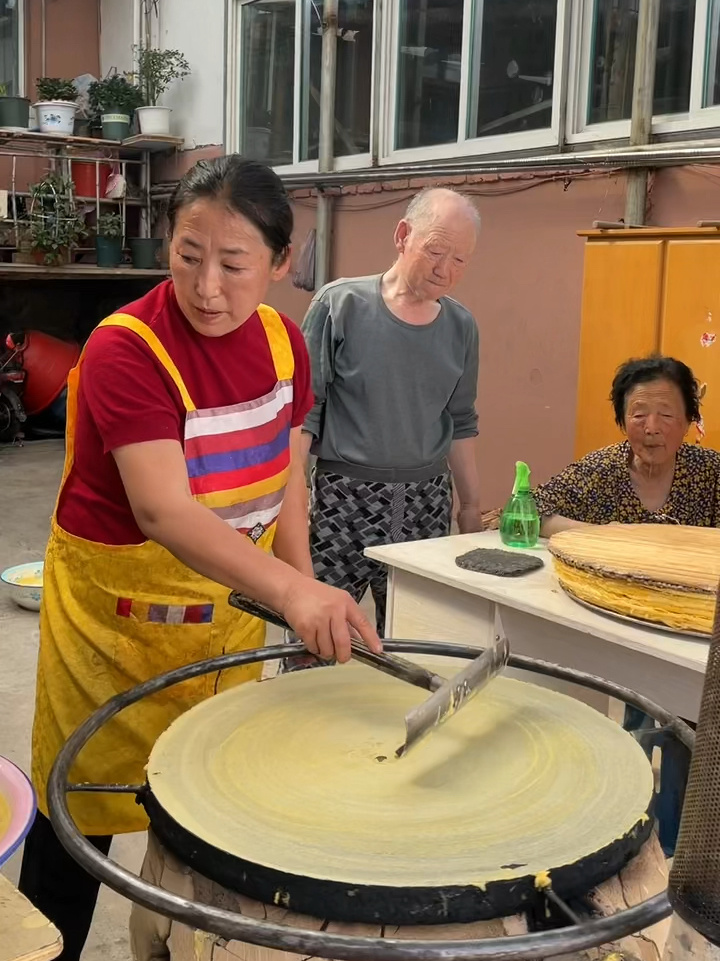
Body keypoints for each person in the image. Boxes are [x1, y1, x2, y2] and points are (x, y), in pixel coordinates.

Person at [18, 155, 380, 961]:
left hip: (225, 611)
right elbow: (163, 509)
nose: (207, 287)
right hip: (113, 621)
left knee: (207, 796)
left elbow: (287, 477)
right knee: (81, 803)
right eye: (188, 255)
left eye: (233, 263)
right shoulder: (125, 349)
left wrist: (304, 585)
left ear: (282, 263)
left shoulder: (287, 345)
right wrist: (287, 593)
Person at [287, 186, 482, 664]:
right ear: (402, 235)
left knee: (414, 643)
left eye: (460, 260)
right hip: (342, 501)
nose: (445, 269)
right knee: (321, 641)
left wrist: (472, 507)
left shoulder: (461, 326)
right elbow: (302, 418)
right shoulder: (340, 305)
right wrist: (289, 510)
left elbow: (460, 421)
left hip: (426, 503)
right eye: (436, 251)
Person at [535, 355, 720, 536]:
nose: (652, 428)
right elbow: (527, 511)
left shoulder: (711, 470)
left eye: (666, 415)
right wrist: (601, 534)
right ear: (622, 422)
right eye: (639, 415)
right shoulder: (599, 469)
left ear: (688, 421)